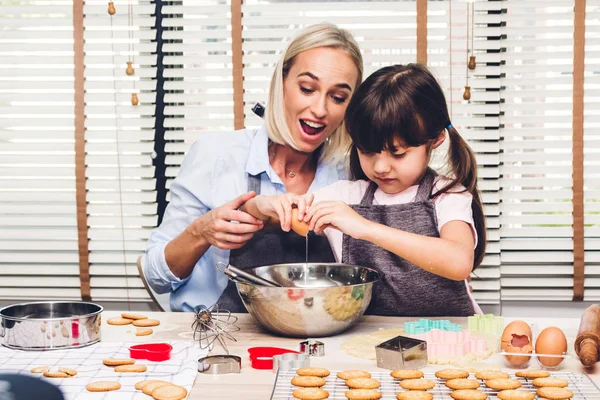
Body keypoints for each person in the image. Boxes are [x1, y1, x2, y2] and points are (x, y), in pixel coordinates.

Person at [143, 23, 363, 311]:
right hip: (214, 340)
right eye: (307, 89)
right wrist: (203, 231)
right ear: (280, 84)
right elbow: (156, 276)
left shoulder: (350, 175)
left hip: (312, 341)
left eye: (338, 98)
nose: (320, 110)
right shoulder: (215, 155)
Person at [243, 63, 486, 316]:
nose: (380, 167)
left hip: (452, 338)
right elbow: (261, 215)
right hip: (372, 337)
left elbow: (459, 262)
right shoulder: (346, 196)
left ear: (435, 140)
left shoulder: (447, 195)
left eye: (398, 153)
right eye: (367, 151)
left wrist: (366, 228)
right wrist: (261, 205)